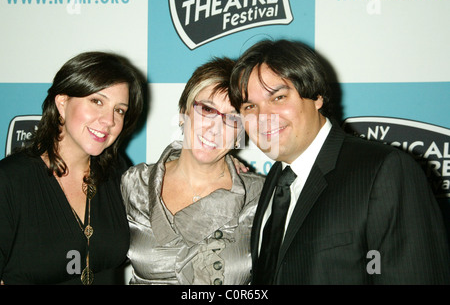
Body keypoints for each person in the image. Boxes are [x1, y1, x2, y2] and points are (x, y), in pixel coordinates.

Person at [228, 39, 450, 284]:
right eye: (250, 106)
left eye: (278, 97)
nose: (263, 117)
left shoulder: (384, 171)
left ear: (317, 96)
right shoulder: (274, 182)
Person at [0, 51, 144, 284]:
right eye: (97, 101)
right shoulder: (10, 181)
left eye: (119, 110)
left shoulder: (116, 172)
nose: (109, 121)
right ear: (62, 102)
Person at [121, 57, 265, 285]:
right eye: (207, 109)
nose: (215, 128)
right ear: (183, 112)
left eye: (232, 119)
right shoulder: (134, 183)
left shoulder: (260, 196)